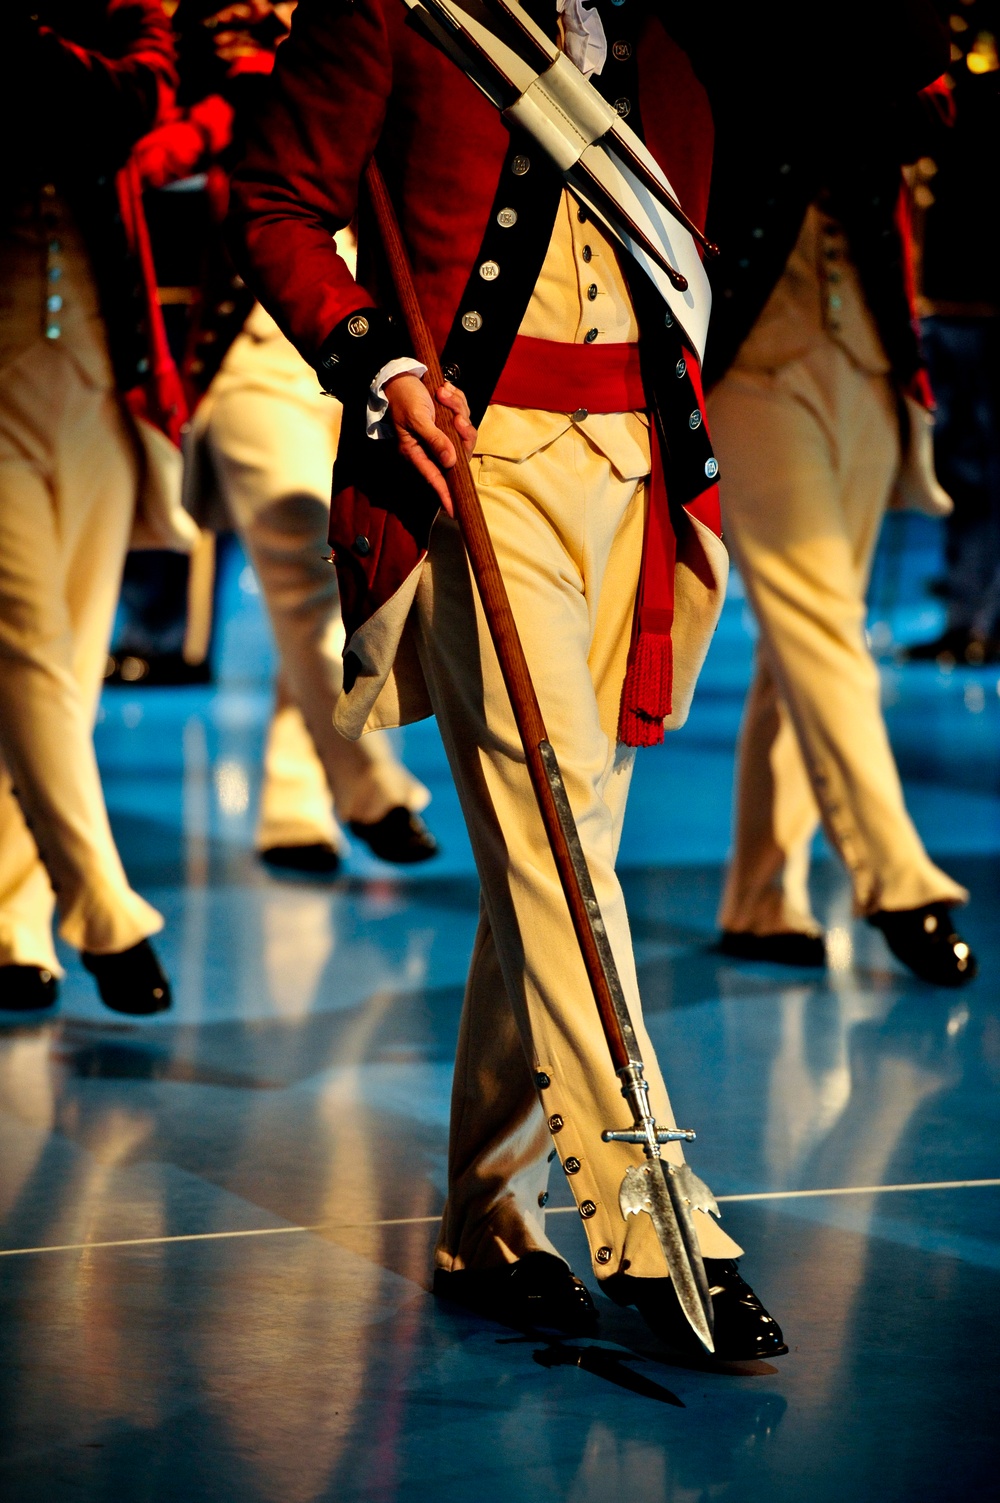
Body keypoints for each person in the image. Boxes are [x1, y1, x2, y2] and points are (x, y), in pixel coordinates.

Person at [227, 0, 787, 1359]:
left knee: (565, 844)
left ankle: (487, 1213)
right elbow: (276, 201)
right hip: (483, 465)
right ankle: (650, 1206)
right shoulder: (398, 11)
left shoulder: (672, 35)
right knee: (552, 831)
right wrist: (382, 361)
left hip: (639, 473)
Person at [699, 6, 977, 987]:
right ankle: (898, 879)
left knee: (806, 629)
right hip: (748, 343)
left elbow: (922, 84)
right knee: (817, 615)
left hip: (865, 342)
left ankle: (760, 894)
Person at [135, 0, 438, 874]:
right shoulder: (214, 61)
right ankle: (372, 789)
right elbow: (153, 158)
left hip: (367, 359)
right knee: (307, 569)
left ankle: (293, 805)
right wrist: (240, 84)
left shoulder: (389, 35)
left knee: (333, 577)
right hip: (253, 361)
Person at [0, 1, 183, 1016]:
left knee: (66, 664)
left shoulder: (106, 26)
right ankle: (104, 910)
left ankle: (12, 921)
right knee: (27, 642)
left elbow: (135, 102)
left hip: (106, 382)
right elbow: (114, 89)